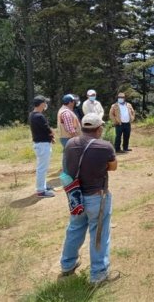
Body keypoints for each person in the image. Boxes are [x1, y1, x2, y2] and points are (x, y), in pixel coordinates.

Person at [60, 113, 119, 285]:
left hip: (75, 196)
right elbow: (113, 167)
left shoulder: (71, 143)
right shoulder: (105, 147)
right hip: (97, 197)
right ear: (99, 128)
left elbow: (66, 166)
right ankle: (98, 274)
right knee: (99, 234)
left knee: (74, 229)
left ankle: (67, 265)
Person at [28, 95, 56, 198]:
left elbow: (43, 130)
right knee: (42, 168)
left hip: (40, 144)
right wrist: (52, 134)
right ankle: (40, 190)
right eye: (45, 103)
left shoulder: (32, 114)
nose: (46, 105)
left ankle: (43, 186)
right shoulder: (39, 116)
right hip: (42, 145)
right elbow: (48, 129)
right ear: (42, 104)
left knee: (43, 168)